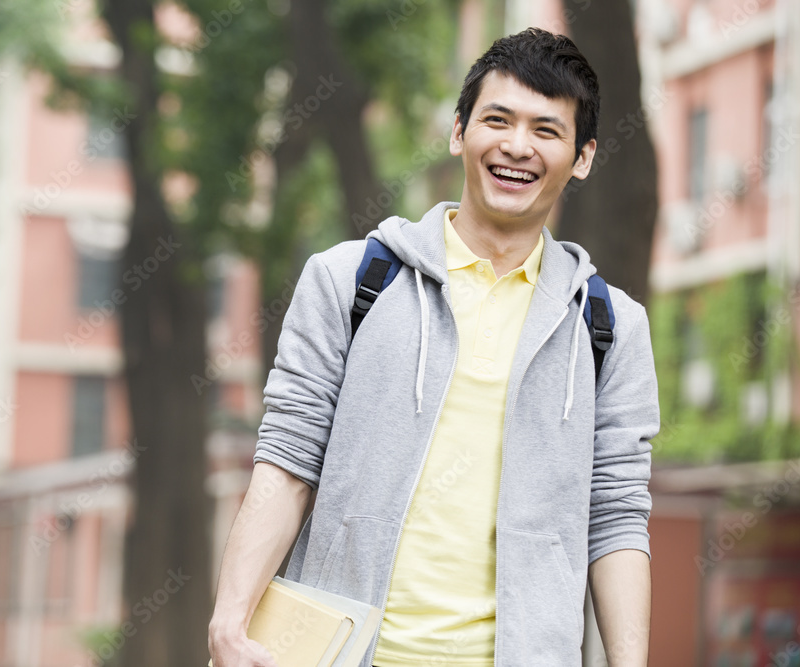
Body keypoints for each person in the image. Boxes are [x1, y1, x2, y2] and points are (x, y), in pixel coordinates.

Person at [208, 27, 658, 667]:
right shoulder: (350, 282)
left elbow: (615, 518)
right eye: (496, 120)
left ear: (582, 157)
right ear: (458, 132)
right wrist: (230, 619)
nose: (516, 146)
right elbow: (287, 459)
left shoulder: (611, 328)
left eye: (546, 130)